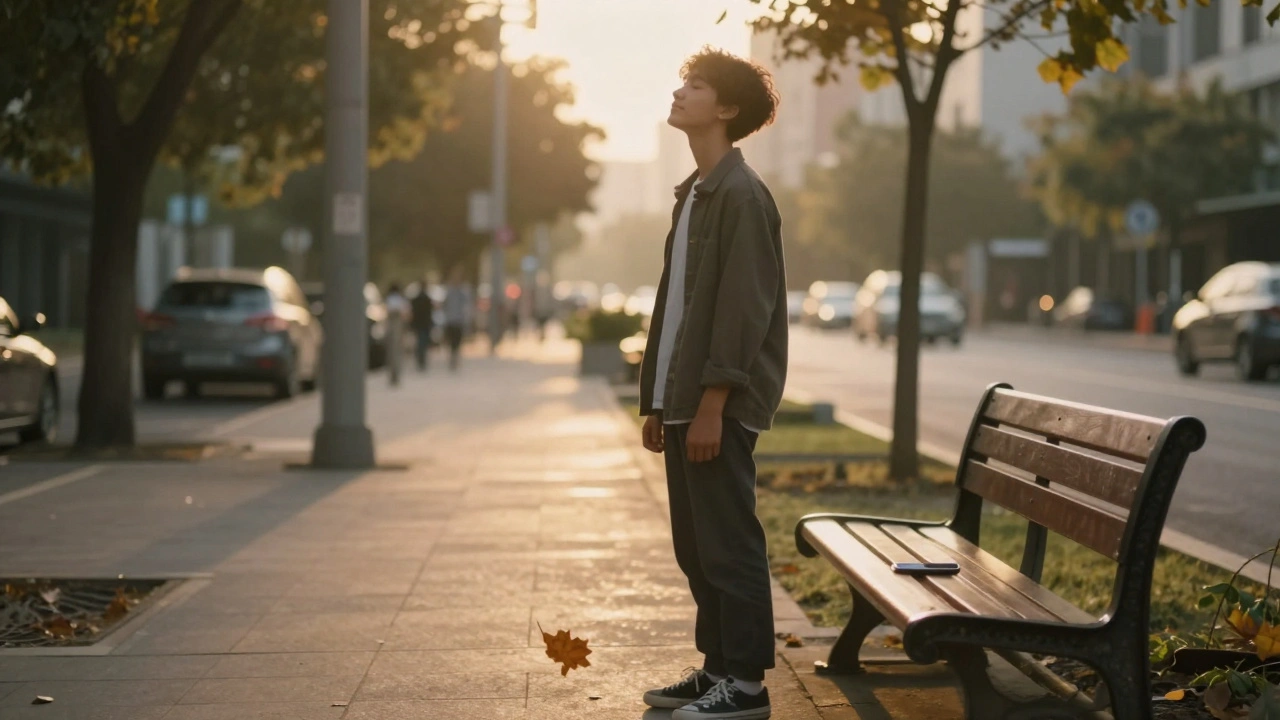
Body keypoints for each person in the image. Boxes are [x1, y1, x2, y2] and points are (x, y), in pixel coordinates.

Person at [637, 48, 784, 720]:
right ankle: (718, 668)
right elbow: (676, 310)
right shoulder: (696, 192)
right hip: (686, 402)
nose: (680, 91)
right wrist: (658, 401)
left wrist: (712, 405)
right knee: (697, 549)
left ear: (725, 109)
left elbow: (741, 310)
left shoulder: (742, 196)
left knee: (728, 543)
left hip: (715, 405)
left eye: (694, 86)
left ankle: (747, 686)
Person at [442, 266, 471, 372]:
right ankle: (452, 358)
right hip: (450, 320)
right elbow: (444, 305)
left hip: (459, 321)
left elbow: (466, 306)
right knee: (451, 342)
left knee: (457, 342)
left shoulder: (463, 292)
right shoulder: (449, 291)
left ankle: (455, 358)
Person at [384, 281, 410, 386]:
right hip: (397, 330)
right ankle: (395, 375)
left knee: (392, 353)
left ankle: (393, 375)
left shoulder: (390, 299)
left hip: (393, 330)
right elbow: (406, 314)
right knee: (397, 353)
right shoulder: (400, 300)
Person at [410, 280, 436, 372]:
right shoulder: (426, 299)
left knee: (420, 343)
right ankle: (422, 360)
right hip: (424, 324)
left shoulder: (416, 299)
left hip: (420, 324)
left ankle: (421, 360)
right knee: (423, 343)